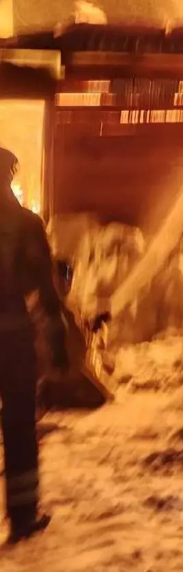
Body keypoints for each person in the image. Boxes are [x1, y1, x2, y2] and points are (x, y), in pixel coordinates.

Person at [0, 146, 68, 543]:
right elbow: (46, 289)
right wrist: (58, 346)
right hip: (13, 339)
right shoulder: (25, 224)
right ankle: (23, 517)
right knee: (20, 428)